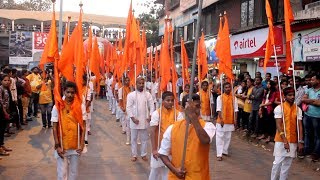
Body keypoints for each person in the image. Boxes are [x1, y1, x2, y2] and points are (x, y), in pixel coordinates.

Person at [158, 94, 216, 179]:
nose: (195, 110)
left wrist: (193, 117)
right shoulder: (172, 128)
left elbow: (205, 140)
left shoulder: (208, 126)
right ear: (183, 109)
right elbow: (162, 153)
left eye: (197, 106)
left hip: (199, 176)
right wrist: (175, 170)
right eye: (191, 107)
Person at [52, 81, 86, 180]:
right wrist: (57, 145)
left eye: (72, 92)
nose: (70, 95)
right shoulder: (57, 106)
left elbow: (83, 126)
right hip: (62, 145)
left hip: (76, 145)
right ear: (63, 92)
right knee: (61, 174)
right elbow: (54, 127)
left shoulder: (80, 106)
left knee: (74, 173)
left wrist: (82, 143)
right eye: (68, 92)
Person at [270, 87, 304, 180]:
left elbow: (300, 126)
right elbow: (278, 124)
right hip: (281, 140)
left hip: (293, 139)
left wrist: (300, 141)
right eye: (290, 95)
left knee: (287, 163)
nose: (292, 97)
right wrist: (285, 141)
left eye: (293, 95)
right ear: (284, 97)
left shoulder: (298, 109)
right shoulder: (279, 108)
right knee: (277, 162)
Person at [148, 91, 183, 180]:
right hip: (159, 148)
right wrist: (154, 149)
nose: (170, 102)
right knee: (155, 170)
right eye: (168, 100)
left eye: (172, 100)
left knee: (168, 172)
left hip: (172, 148)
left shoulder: (178, 114)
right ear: (162, 101)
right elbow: (152, 131)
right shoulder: (157, 113)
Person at [126, 77, 155, 161]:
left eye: (143, 83)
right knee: (134, 139)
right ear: (136, 84)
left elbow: (152, 105)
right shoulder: (131, 95)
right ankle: (134, 155)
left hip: (144, 120)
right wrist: (132, 118)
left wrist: (150, 115)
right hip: (134, 120)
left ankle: (143, 154)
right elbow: (128, 107)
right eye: (139, 83)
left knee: (144, 139)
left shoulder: (147, 94)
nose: (141, 85)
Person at [216, 82, 238, 161]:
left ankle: (225, 151)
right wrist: (221, 119)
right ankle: (219, 154)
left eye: (229, 87)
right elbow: (218, 109)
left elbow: (236, 110)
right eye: (226, 87)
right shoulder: (220, 97)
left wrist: (235, 120)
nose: (228, 89)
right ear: (223, 88)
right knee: (220, 137)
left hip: (230, 120)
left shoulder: (234, 98)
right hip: (221, 121)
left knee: (228, 137)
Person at [301, 74, 320, 161]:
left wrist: (309, 101)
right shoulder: (309, 90)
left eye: (313, 80)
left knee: (317, 135)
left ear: (318, 81)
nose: (311, 81)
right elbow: (303, 99)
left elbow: (319, 103)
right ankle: (306, 150)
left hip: (317, 116)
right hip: (307, 115)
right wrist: (313, 101)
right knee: (307, 133)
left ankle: (316, 153)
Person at [0, 74, 13, 156]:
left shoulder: (6, 88)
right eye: (5, 80)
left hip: (5, 111)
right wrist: (5, 112)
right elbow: (0, 102)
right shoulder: (0, 89)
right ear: (1, 81)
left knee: (2, 130)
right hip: (1, 112)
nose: (7, 82)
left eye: (8, 80)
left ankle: (1, 145)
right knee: (0, 130)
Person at [118, 76, 131, 144]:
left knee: (131, 125)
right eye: (126, 81)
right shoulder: (121, 89)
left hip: (131, 109)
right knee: (126, 124)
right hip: (125, 108)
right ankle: (128, 139)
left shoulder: (131, 89)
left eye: (128, 80)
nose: (127, 82)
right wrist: (122, 107)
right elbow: (120, 99)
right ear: (123, 82)